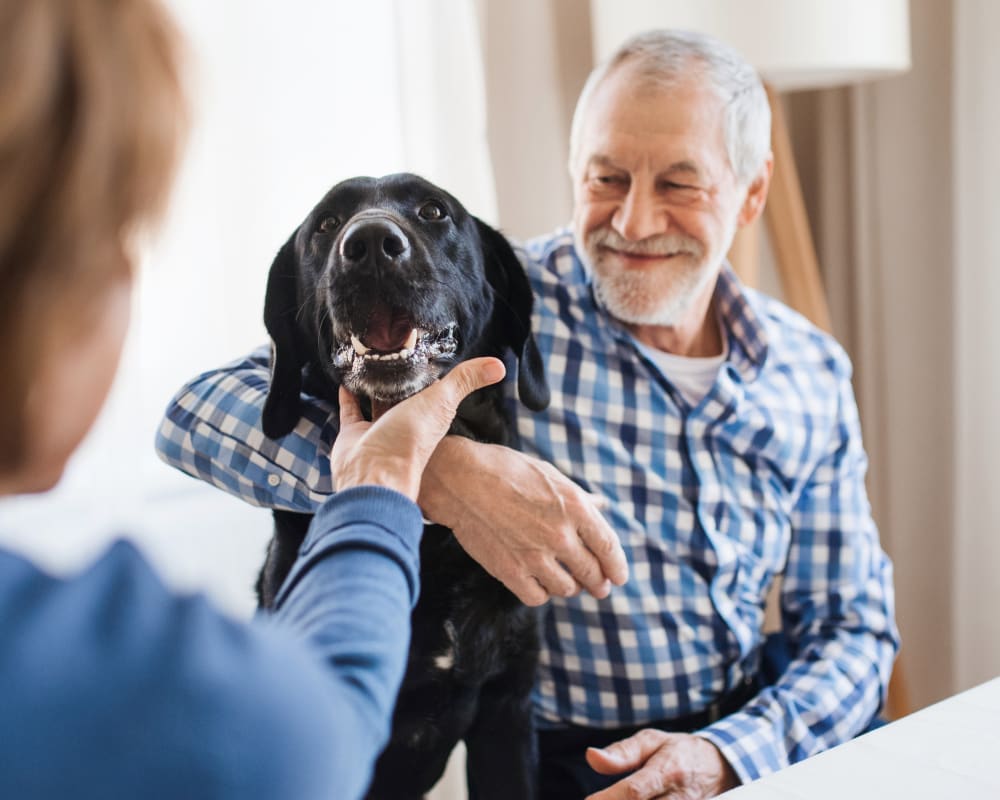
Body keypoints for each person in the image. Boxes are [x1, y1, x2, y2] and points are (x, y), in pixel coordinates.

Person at [156, 29, 900, 800]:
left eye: (679, 184)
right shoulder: (499, 298)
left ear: (751, 192)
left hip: (752, 743)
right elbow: (195, 416)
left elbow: (854, 629)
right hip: (576, 765)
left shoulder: (813, 370)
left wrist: (732, 755)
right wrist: (434, 472)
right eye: (607, 178)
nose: (636, 223)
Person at [0, 1, 508, 798]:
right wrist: (405, 484)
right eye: (115, 242)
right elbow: (306, 733)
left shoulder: (517, 287)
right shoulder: (149, 681)